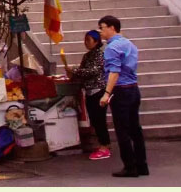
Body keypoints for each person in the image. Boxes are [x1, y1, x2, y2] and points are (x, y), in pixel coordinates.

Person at [98, 15, 147, 177]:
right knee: (135, 129)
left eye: (102, 27)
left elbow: (114, 71)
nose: (100, 31)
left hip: (120, 91)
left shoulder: (111, 48)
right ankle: (142, 165)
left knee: (122, 131)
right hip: (133, 89)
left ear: (112, 27)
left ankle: (130, 166)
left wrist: (106, 93)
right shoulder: (129, 44)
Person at [63, 30, 111, 160]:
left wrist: (75, 70)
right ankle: (103, 143)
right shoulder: (87, 56)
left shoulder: (100, 55)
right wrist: (72, 74)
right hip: (89, 91)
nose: (86, 43)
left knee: (99, 119)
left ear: (96, 42)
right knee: (94, 120)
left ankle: (105, 145)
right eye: (85, 40)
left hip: (99, 91)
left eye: (89, 40)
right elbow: (82, 72)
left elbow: (93, 71)